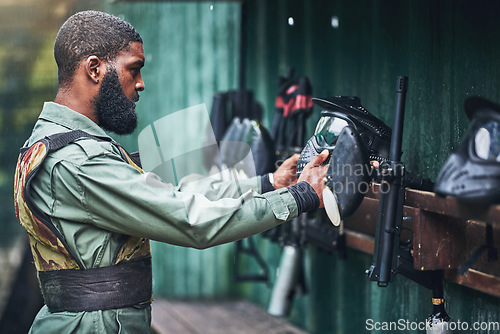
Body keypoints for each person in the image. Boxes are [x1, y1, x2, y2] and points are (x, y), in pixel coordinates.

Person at [13, 10, 329, 333]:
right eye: (133, 69)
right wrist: (300, 197)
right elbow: (190, 219)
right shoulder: (79, 160)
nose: (141, 83)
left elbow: (170, 197)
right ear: (94, 69)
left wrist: (269, 183)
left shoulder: (52, 144)